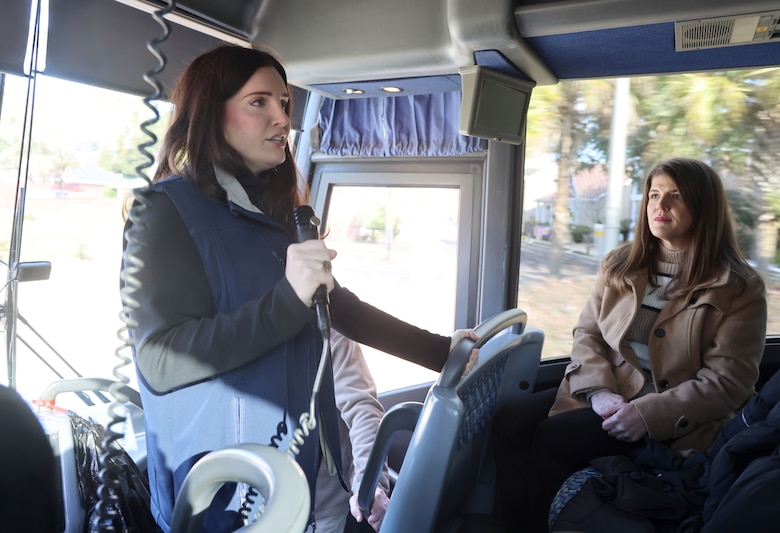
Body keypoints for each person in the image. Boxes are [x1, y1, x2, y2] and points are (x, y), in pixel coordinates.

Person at [120, 44, 476, 532]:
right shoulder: (163, 211)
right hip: (228, 487)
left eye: (285, 103)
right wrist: (287, 301)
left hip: (304, 467)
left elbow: (339, 306)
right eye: (259, 102)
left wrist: (442, 352)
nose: (281, 119)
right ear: (210, 113)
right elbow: (161, 361)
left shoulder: (274, 211)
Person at [492, 157, 767, 532]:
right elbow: (587, 333)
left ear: (704, 206)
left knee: (551, 438)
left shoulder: (738, 286)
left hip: (675, 414)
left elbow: (727, 382)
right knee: (509, 421)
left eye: (675, 196)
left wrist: (647, 414)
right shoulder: (621, 264)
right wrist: (598, 391)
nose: (660, 205)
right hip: (611, 392)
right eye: (653, 194)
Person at [313, 330, 390, 533]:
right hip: (249, 504)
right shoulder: (229, 337)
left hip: (321, 509)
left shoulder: (330, 337)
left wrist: (369, 483)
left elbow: (363, 412)